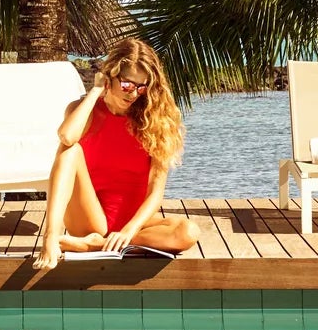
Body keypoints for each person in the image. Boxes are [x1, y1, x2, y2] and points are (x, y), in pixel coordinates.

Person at [31, 37, 197, 270]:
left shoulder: (156, 122)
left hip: (136, 224)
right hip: (91, 219)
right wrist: (96, 90)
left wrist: (128, 231)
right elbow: (66, 137)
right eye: (128, 85)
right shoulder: (82, 110)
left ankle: (97, 247)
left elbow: (155, 194)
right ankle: (51, 237)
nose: (133, 94)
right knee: (71, 150)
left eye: (142, 87)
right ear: (111, 77)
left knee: (188, 232)